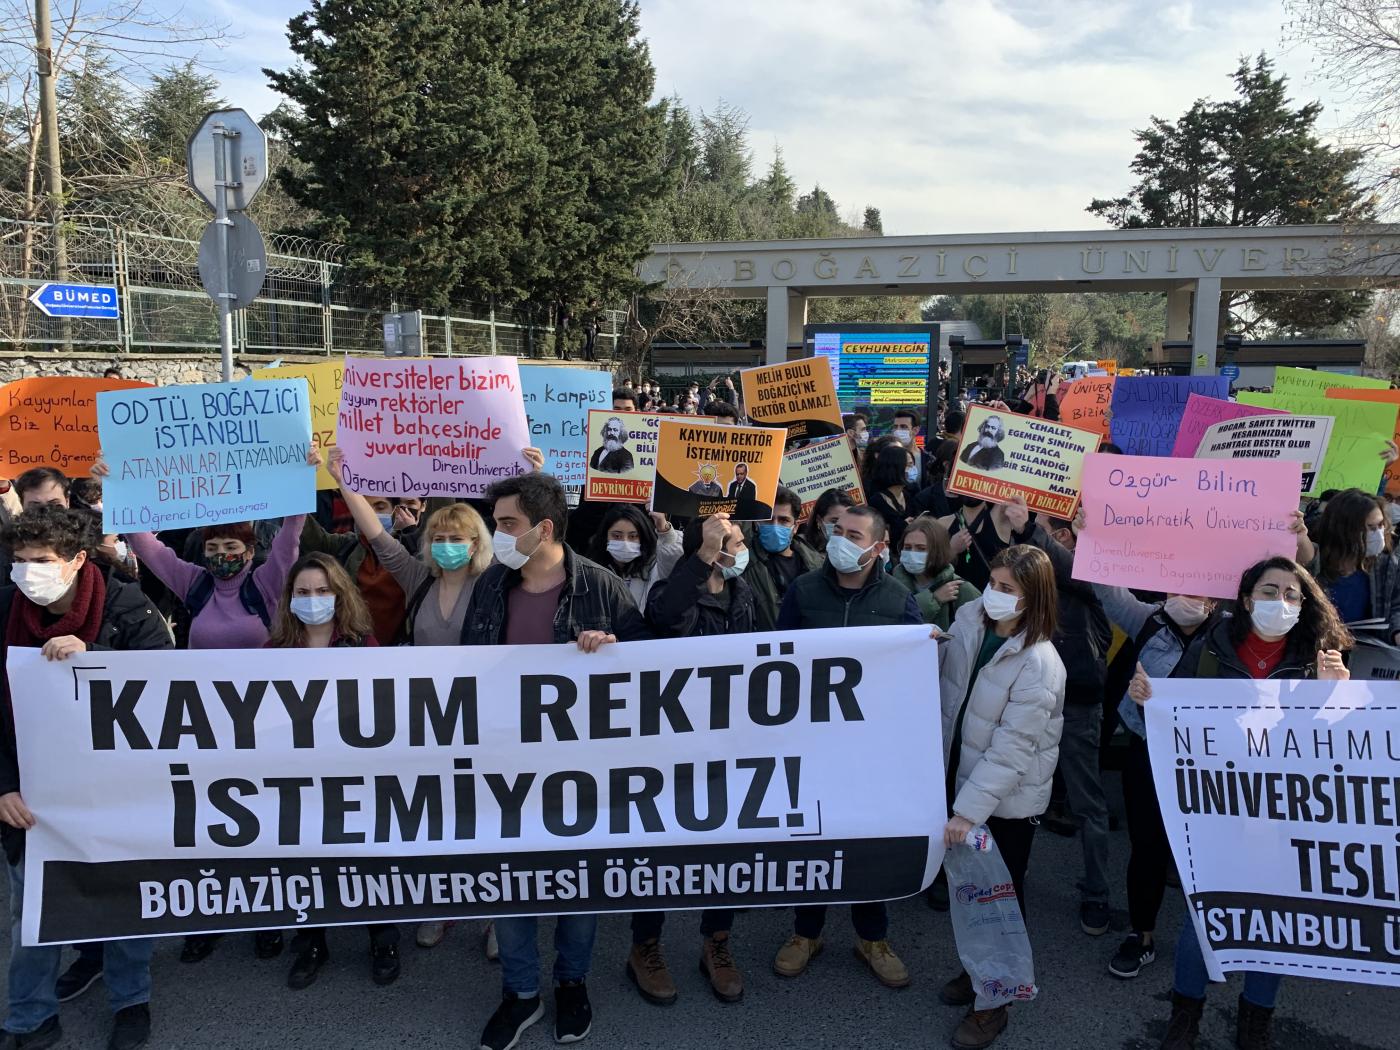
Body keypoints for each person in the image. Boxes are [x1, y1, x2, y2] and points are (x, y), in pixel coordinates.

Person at [1127, 557, 1350, 1050]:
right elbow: (1173, 719)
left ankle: (1256, 1022)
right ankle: (1185, 1016)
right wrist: (1148, 701)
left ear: (1303, 605)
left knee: (1274, 920)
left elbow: (1336, 749)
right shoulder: (1212, 647)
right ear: (1247, 599)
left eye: (1291, 595)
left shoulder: (1319, 661)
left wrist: (1334, 697)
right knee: (1204, 916)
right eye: (1269, 591)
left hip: (1284, 815)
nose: (1280, 602)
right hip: (1218, 809)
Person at [461, 473, 649, 1050]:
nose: (498, 533)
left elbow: (653, 667)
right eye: (497, 522)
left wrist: (614, 651)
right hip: (505, 763)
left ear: (543, 528)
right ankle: (521, 992)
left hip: (579, 766)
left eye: (508, 523)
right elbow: (468, 664)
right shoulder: (492, 585)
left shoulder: (599, 586)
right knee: (512, 880)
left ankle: (572, 981)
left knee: (576, 880)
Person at [0, 505, 173, 1050]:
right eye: (20, 560)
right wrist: (2, 785)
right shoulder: (5, 610)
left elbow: (168, 685)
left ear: (76, 560)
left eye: (41, 561)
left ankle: (130, 1002)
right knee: (34, 912)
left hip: (118, 786)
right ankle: (29, 1018)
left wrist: (96, 658)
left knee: (123, 897)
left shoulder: (126, 605)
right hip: (33, 793)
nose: (28, 572)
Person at [773, 506, 921, 989]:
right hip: (811, 744)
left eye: (854, 535)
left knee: (867, 841)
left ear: (878, 547)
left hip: (870, 751)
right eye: (837, 531)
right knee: (811, 838)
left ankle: (872, 938)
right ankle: (805, 932)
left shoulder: (898, 600)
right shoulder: (804, 591)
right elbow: (776, 659)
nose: (841, 540)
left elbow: (916, 674)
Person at [935, 544, 1065, 1050]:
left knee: (1001, 900)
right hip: (961, 776)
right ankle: (979, 975)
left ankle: (995, 1003)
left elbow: (1012, 750)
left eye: (1008, 588)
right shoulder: (970, 619)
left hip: (1005, 803)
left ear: (1033, 597)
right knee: (972, 891)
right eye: (992, 582)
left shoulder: (1040, 663)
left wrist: (968, 812)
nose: (994, 593)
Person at [627, 514, 755, 1005]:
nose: (738, 549)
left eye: (737, 541)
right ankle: (645, 946)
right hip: (672, 742)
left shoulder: (742, 592)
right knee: (660, 845)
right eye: (729, 542)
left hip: (728, 740)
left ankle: (716, 942)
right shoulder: (671, 590)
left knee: (725, 844)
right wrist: (701, 558)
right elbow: (667, 621)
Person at [262, 552, 401, 988]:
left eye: (322, 590)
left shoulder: (363, 645)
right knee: (306, 861)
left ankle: (383, 939)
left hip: (355, 775)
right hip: (298, 777)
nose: (313, 599)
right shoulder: (273, 652)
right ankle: (311, 943)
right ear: (290, 598)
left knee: (369, 858)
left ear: (339, 595)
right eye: (303, 592)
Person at [1297, 488, 1400, 641]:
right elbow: (1307, 560)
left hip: (1366, 650)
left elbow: (1396, 606)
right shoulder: (1315, 562)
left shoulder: (1386, 566)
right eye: (1370, 527)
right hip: (1316, 647)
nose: (1378, 533)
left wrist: (1397, 632)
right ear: (1344, 530)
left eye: (1381, 525)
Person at [743, 486, 823, 630]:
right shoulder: (742, 564)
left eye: (783, 520)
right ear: (757, 523)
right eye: (768, 519)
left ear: (795, 527)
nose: (775, 526)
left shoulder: (818, 565)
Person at [586, 505, 681, 609]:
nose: (625, 542)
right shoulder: (590, 571)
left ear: (643, 538)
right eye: (617, 536)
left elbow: (674, 567)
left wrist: (664, 530)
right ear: (605, 537)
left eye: (633, 536)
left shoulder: (655, 568)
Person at [893, 514, 977, 630]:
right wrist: (934, 599)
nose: (912, 553)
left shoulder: (961, 590)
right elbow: (892, 621)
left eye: (921, 548)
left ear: (938, 551)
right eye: (907, 547)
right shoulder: (892, 585)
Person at [864, 443, 917, 550]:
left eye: (913, 464)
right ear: (895, 468)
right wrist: (902, 526)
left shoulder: (908, 495)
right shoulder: (876, 502)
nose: (913, 469)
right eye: (909, 465)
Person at [798, 489, 855, 554]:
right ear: (819, 520)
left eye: (848, 520)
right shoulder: (803, 550)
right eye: (835, 521)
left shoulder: (860, 546)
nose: (843, 527)